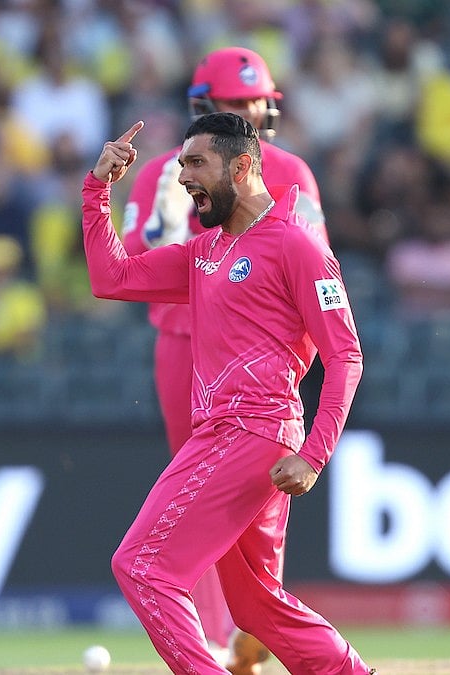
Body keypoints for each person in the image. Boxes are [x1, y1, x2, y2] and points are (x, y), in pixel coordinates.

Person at [82, 113, 372, 675]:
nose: (182, 176)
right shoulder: (205, 253)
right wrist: (97, 191)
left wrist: (314, 454)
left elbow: (346, 355)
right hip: (241, 438)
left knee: (143, 566)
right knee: (257, 605)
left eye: (196, 163)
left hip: (247, 432)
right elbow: (110, 279)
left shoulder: (297, 245)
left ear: (241, 166)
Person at [118, 46, 325, 671]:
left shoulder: (294, 171)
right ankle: (213, 634)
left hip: (259, 359)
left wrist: (291, 360)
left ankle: (252, 623)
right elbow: (133, 258)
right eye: (230, 104)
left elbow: (316, 273)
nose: (243, 112)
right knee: (194, 493)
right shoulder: (169, 170)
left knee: (257, 499)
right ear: (203, 108)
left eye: (251, 102)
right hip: (185, 343)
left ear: (269, 106)